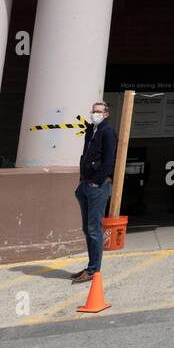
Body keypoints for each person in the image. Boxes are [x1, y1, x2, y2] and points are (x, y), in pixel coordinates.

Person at [72, 100, 116, 284]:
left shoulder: (108, 132)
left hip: (97, 186)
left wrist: (97, 182)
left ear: (106, 114)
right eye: (93, 111)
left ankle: (93, 270)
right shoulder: (91, 130)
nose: (94, 114)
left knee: (93, 229)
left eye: (98, 111)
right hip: (85, 185)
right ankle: (91, 265)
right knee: (87, 228)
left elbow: (108, 161)